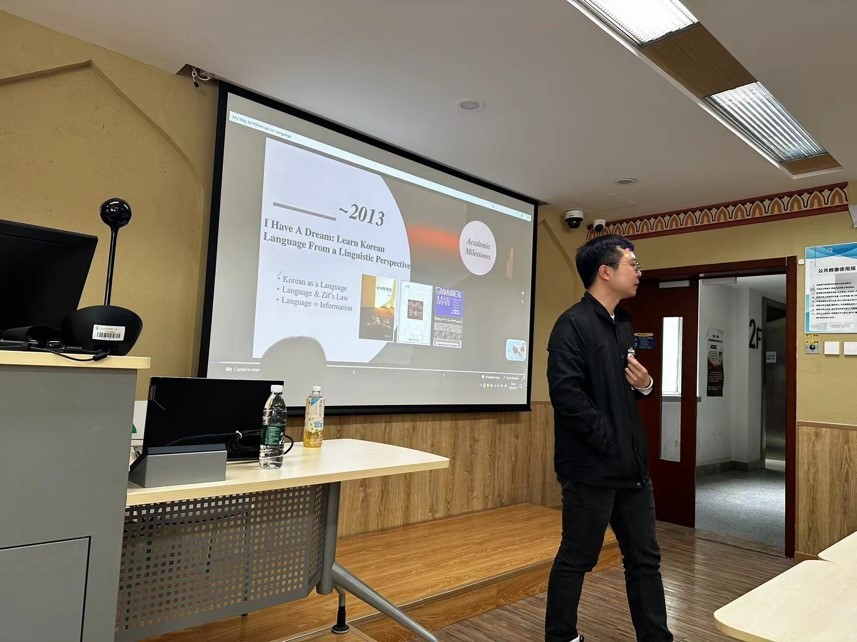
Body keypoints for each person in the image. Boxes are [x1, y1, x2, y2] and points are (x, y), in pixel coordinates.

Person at [545, 234, 673, 642]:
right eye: (632, 264)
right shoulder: (571, 325)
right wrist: (610, 441)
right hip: (590, 470)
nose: (639, 272)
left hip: (632, 469)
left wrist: (647, 385)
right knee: (577, 558)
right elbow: (567, 397)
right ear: (605, 271)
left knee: (645, 561)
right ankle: (561, 636)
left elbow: (622, 393)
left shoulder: (624, 325)